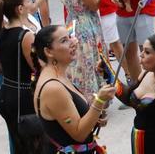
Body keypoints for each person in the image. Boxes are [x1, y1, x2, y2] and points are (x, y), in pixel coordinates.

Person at [32, 25, 116, 154]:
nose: (73, 42)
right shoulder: (53, 88)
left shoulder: (58, 76)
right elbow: (79, 133)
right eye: (64, 40)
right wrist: (99, 101)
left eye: (70, 37)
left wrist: (93, 118)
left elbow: (70, 121)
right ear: (49, 52)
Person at [0, 0, 44, 153]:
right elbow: (37, 68)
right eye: (27, 1)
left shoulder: (1, 33)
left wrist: (11, 67)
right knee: (35, 146)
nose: (30, 3)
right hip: (24, 97)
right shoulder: (26, 36)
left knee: (19, 144)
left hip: (6, 95)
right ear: (20, 9)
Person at [60, 0, 109, 100]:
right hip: (86, 24)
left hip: (72, 23)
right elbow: (94, 5)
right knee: (91, 58)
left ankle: (78, 93)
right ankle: (93, 95)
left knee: (78, 60)